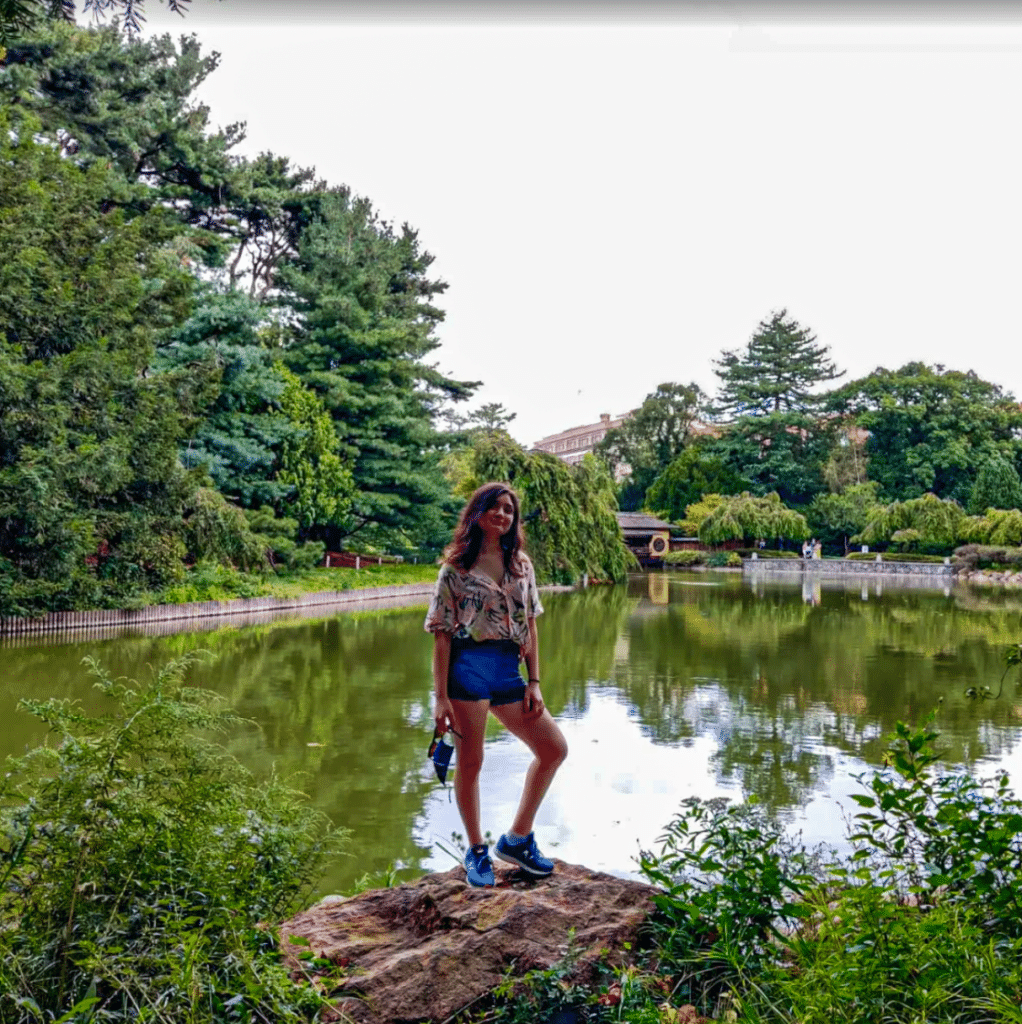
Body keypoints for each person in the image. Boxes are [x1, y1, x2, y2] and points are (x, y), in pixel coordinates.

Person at [425, 481, 569, 888]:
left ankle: (517, 839)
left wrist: (535, 681)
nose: (502, 515)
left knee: (553, 748)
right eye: (495, 507)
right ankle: (475, 850)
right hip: (467, 667)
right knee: (471, 762)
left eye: (509, 509)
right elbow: (439, 633)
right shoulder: (454, 569)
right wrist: (440, 698)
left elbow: (532, 625)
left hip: (509, 668)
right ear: (478, 512)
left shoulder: (521, 565)